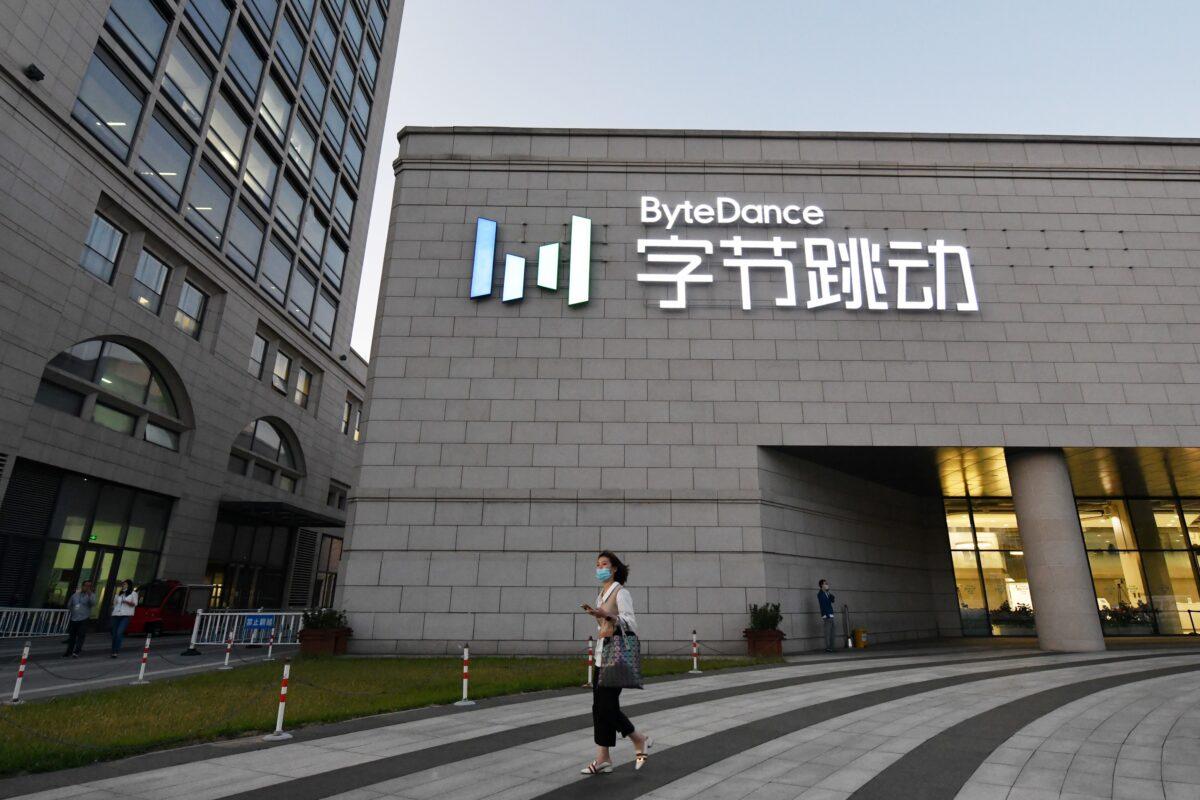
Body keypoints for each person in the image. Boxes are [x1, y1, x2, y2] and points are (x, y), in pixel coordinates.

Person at [580, 551, 651, 775]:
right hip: (602, 654)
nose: (599, 568)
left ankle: (639, 738)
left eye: (604, 564)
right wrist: (598, 615)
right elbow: (605, 624)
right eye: (597, 565)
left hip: (616, 656)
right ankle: (604, 758)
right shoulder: (601, 595)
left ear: (613, 569)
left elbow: (630, 623)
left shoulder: (621, 592)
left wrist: (609, 616)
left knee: (606, 707)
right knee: (599, 708)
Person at [62, 580, 95, 658]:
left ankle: (76, 651)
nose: (87, 587)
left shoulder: (92, 595)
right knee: (72, 636)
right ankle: (69, 652)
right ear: (82, 586)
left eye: (89, 586)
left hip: (84, 618)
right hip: (74, 618)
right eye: (86, 586)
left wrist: (89, 595)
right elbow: (69, 605)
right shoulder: (75, 595)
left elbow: (92, 604)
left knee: (81, 635)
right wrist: (73, 611)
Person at [109, 580, 137, 657]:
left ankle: (116, 651)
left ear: (128, 585)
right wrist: (113, 612)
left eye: (124, 584)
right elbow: (114, 604)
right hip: (116, 615)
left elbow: (135, 604)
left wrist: (126, 602)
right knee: (114, 634)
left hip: (126, 615)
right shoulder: (119, 593)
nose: (123, 585)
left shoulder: (133, 593)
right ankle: (113, 650)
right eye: (122, 584)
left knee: (119, 633)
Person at [817, 579, 836, 653]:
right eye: (825, 584)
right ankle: (828, 647)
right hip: (827, 615)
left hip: (831, 614)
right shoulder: (820, 594)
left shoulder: (827, 593)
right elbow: (823, 605)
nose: (827, 585)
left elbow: (833, 600)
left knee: (833, 632)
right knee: (828, 632)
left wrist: (828, 592)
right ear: (822, 585)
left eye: (827, 583)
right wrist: (827, 615)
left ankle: (831, 647)